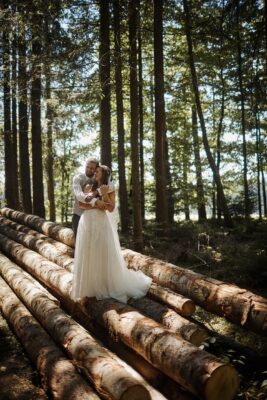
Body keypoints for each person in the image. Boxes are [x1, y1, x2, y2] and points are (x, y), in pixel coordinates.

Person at [71, 165, 152, 304]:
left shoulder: (110, 188)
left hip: (101, 222)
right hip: (87, 222)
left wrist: (103, 194)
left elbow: (110, 207)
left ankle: (104, 284)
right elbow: (82, 205)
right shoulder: (89, 185)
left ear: (104, 174)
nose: (95, 173)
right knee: (89, 251)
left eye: (98, 171)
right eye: (95, 171)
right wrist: (96, 203)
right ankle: (89, 287)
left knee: (102, 251)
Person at [72, 157, 101, 237]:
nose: (88, 169)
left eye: (92, 168)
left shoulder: (98, 180)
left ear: (96, 169)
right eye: (87, 167)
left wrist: (96, 193)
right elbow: (78, 195)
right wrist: (92, 199)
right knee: (78, 244)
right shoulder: (78, 178)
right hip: (78, 215)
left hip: (93, 217)